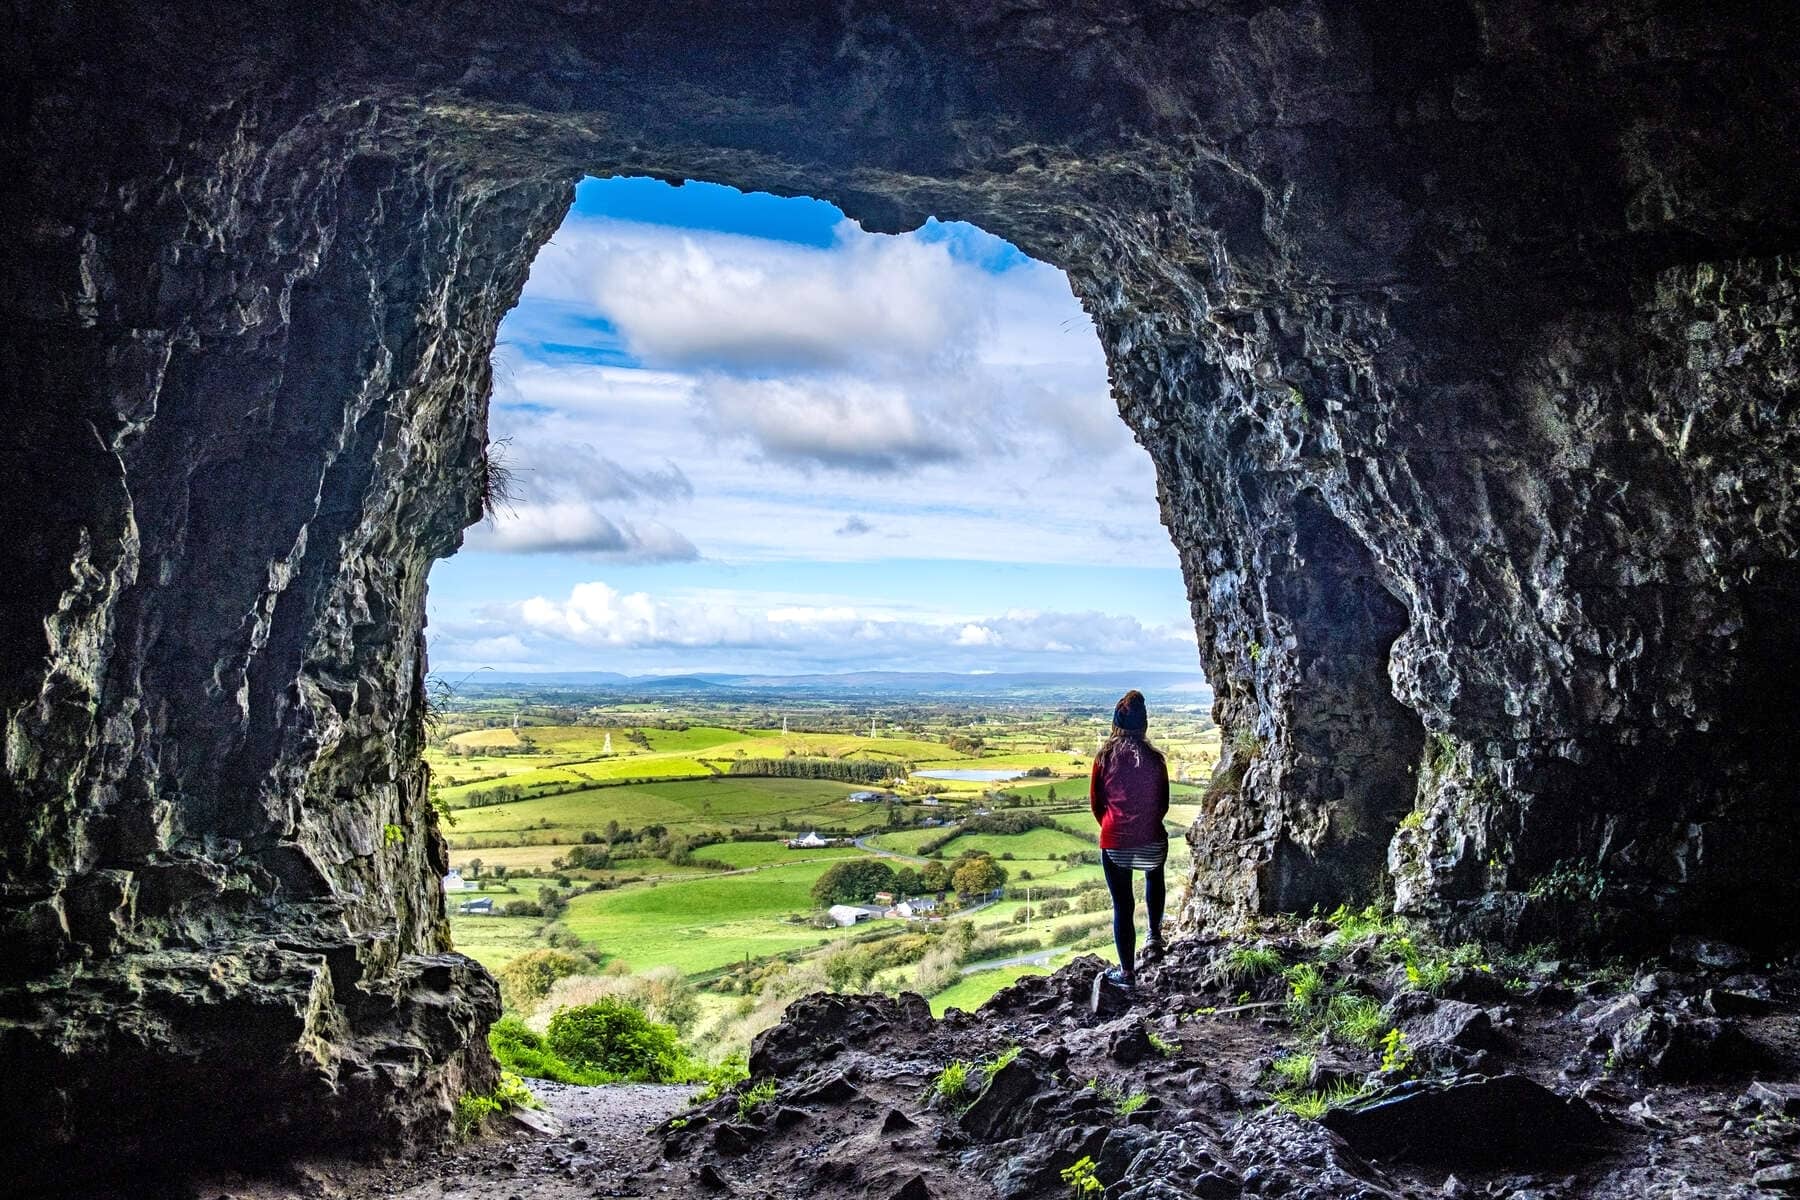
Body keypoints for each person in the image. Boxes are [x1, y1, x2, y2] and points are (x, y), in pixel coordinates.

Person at [1089, 689, 1170, 988]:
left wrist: (1114, 827)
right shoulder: (1155, 759)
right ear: (1143, 725)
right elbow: (1163, 803)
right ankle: (1155, 935)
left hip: (1116, 843)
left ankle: (1127, 973)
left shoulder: (1104, 758)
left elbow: (1097, 803)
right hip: (1151, 839)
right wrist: (1145, 826)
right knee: (1154, 876)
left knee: (1123, 904)